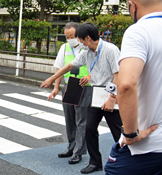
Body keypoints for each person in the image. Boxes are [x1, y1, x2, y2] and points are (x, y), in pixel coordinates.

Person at [41, 22, 122, 174]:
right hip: (96, 94)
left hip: (111, 95)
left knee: (118, 132)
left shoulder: (111, 50)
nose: (78, 42)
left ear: (88, 38)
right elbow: (70, 66)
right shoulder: (87, 52)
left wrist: (112, 98)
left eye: (80, 39)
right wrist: (53, 79)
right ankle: (95, 162)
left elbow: (118, 75)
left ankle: (128, 160)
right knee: (89, 128)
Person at [104, 0, 162, 174]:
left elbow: (126, 84)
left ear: (132, 5)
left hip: (147, 144)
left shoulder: (139, 31)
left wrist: (130, 134)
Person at [48, 22, 90, 164]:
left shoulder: (87, 47)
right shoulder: (64, 48)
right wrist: (56, 87)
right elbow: (60, 68)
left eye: (72, 36)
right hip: (69, 86)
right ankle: (71, 147)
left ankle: (79, 151)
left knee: (81, 120)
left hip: (84, 86)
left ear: (78, 34)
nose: (69, 39)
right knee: (69, 119)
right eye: (67, 36)